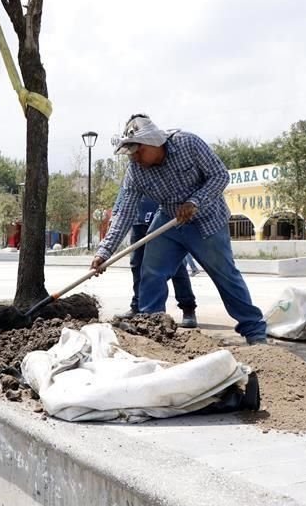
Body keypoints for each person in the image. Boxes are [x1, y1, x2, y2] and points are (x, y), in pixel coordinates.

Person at [91, 114, 268, 345]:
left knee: (226, 276)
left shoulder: (188, 143)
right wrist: (104, 252)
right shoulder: (135, 172)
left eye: (138, 150)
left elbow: (220, 175)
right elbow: (124, 213)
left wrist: (195, 202)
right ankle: (152, 329)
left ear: (153, 142)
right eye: (131, 152)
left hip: (207, 221)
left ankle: (255, 332)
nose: (134, 157)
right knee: (151, 273)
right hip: (169, 221)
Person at [118, 192, 198, 327]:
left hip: (163, 220)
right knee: (137, 265)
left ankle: (188, 308)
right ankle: (138, 306)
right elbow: (125, 195)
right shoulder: (133, 173)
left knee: (177, 267)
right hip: (138, 222)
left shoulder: (163, 172)